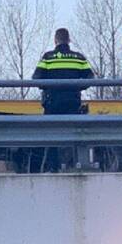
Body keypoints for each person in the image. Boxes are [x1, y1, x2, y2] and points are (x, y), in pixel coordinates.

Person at [32, 28, 94, 172]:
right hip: (73, 102)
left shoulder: (48, 57)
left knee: (52, 135)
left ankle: (54, 167)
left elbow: (36, 79)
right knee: (74, 134)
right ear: (69, 40)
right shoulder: (78, 57)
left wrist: (48, 87)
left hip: (52, 103)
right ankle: (73, 165)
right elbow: (90, 78)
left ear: (55, 40)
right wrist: (77, 87)